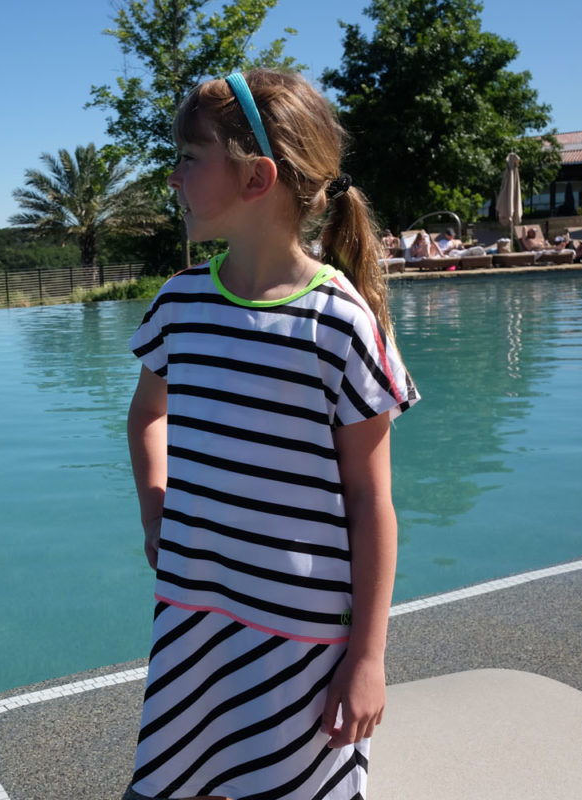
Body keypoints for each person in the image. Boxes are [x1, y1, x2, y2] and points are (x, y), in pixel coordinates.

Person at [126, 69, 419, 800]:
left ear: (256, 177)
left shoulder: (338, 324)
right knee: (188, 774)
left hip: (301, 631)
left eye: (189, 159)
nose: (173, 177)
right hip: (195, 610)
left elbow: (370, 501)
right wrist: (155, 508)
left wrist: (368, 658)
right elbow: (148, 414)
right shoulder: (180, 304)